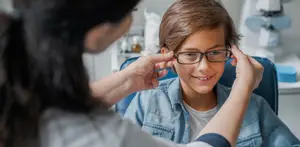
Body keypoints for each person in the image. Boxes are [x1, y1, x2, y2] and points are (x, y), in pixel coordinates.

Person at [0, 0, 263, 147]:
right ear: (98, 32)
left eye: (214, 53)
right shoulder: (106, 134)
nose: (203, 66)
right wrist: (244, 87)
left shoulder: (19, 86)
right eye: (130, 11)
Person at [124, 0, 300, 146]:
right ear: (167, 56)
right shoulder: (147, 101)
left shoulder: (255, 106)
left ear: (231, 52)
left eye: (215, 52)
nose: (204, 67)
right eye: (191, 54)